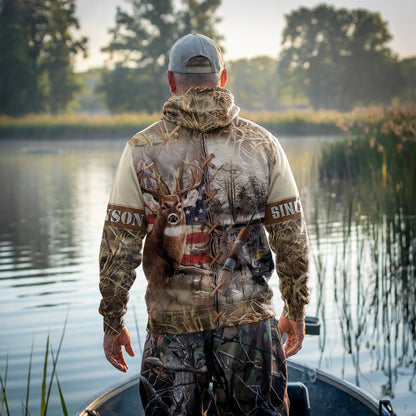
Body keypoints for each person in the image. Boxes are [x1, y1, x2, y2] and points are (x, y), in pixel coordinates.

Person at [99, 33, 309, 416]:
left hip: (171, 327)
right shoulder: (264, 144)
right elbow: (292, 239)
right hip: (250, 325)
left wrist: (112, 320)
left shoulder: (139, 149)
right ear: (223, 77)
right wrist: (296, 307)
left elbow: (119, 246)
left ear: (171, 80)